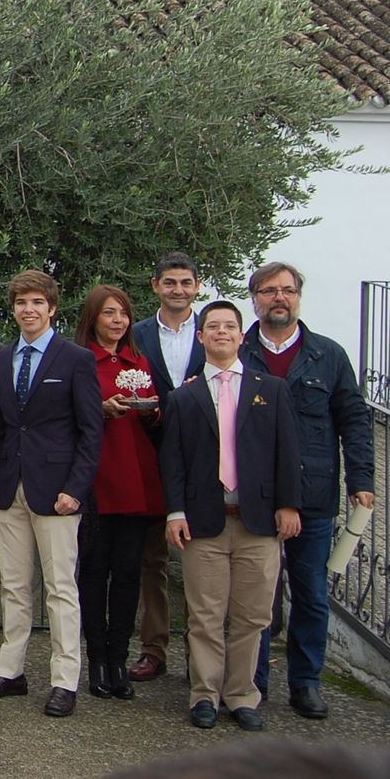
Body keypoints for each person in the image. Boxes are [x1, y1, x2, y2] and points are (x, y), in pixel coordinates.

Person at [161, 300, 302, 732]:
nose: (221, 332)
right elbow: (174, 462)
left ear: (242, 336)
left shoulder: (271, 390)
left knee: (253, 617)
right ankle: (204, 694)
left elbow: (287, 452)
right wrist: (175, 511)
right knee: (204, 615)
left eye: (230, 326)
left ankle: (241, 696)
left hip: (258, 522)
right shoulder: (183, 397)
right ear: (200, 337)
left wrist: (289, 504)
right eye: (212, 326)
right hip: (204, 522)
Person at [241, 262, 374, 719]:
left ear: (298, 297)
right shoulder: (237, 351)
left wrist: (362, 479)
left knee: (311, 593)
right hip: (253, 495)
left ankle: (306, 681)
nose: (279, 298)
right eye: (268, 291)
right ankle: (251, 681)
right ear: (254, 298)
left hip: (314, 494)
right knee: (255, 595)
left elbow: (355, 419)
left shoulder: (328, 355)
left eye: (287, 291)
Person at [0, 270, 102, 718]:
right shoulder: (2, 359)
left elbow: (91, 431)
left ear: (52, 308)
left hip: (58, 492)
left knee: (61, 589)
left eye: (36, 302)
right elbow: (4, 429)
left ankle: (65, 679)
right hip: (10, 487)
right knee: (12, 585)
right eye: (21, 302)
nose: (28, 309)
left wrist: (76, 490)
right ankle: (11, 671)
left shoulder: (75, 360)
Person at [73, 284, 163, 700]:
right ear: (93, 317)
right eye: (109, 313)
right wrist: (101, 408)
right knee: (92, 574)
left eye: (123, 313)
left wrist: (154, 411)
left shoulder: (139, 360)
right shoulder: (79, 361)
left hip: (134, 480)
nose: (117, 321)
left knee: (128, 574)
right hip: (94, 480)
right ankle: (95, 660)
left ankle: (118, 659)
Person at [127, 251, 204, 683]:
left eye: (186, 283)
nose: (178, 290)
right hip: (150, 454)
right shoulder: (136, 336)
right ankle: (154, 648)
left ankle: (201, 657)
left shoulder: (216, 331)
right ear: (155, 285)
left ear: (197, 286)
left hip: (204, 461)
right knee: (151, 560)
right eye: (169, 282)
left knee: (203, 560)